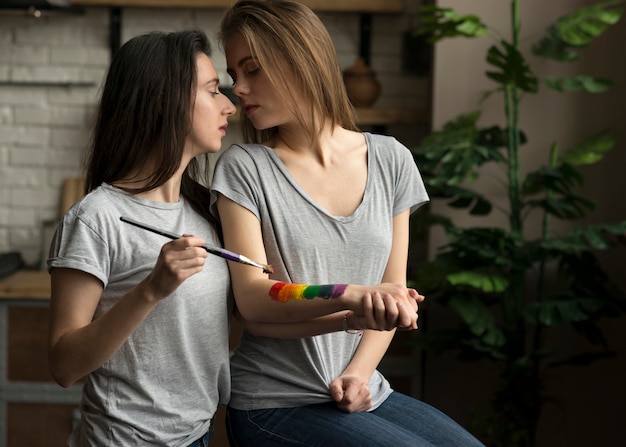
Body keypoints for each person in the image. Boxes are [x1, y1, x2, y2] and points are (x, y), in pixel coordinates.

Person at [210, 0, 487, 446]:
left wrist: (359, 375)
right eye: (233, 75)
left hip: (362, 392)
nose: (237, 89)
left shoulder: (391, 160)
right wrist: (353, 297)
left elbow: (393, 292)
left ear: (301, 60)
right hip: (273, 404)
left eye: (252, 70)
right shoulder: (245, 168)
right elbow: (255, 302)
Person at [47, 30, 237, 446]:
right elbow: (64, 366)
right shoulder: (95, 218)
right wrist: (151, 289)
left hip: (199, 435)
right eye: (212, 90)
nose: (229, 105)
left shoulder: (207, 210)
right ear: (164, 102)